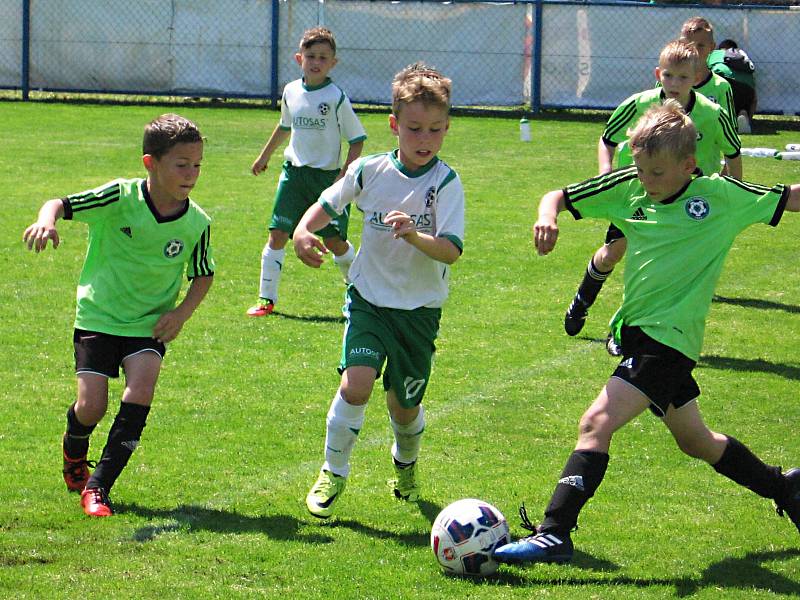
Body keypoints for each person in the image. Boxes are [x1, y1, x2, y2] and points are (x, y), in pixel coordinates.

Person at [493, 101, 800, 565]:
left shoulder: (720, 197)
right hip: (640, 336)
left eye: (657, 173)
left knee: (596, 423)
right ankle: (786, 487)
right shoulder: (632, 186)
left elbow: (787, 197)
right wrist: (547, 216)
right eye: (640, 170)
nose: (646, 182)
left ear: (688, 165)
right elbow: (557, 195)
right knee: (697, 441)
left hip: (670, 342)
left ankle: (555, 532)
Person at [293, 62, 465, 519]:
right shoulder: (369, 171)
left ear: (447, 128)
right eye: (413, 129)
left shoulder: (445, 183)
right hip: (368, 301)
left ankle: (405, 466)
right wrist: (302, 231)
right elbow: (327, 203)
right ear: (394, 126)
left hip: (419, 311)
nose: (424, 139)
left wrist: (413, 236)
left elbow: (450, 251)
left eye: (434, 130)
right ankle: (333, 471)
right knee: (357, 384)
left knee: (404, 407)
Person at [22, 114, 215, 517]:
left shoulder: (197, 222)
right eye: (181, 164)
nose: (191, 174)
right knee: (91, 407)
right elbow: (60, 203)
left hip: (148, 325)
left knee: (141, 388)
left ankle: (98, 488)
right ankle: (75, 451)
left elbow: (203, 274)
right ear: (151, 163)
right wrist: (46, 221)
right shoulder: (119, 198)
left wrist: (180, 314)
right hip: (98, 317)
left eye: (197, 164)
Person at [564, 40, 741, 355]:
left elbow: (733, 152)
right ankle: (582, 300)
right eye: (669, 76)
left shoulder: (712, 114)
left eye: (683, 78)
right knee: (614, 252)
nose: (674, 84)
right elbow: (607, 140)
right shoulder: (638, 104)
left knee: (660, 266)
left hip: (688, 206)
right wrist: (606, 173)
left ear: (696, 76)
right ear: (658, 73)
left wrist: (733, 193)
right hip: (637, 195)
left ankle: (626, 328)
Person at [247, 26, 367, 317]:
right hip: (294, 176)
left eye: (323, 57)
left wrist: (343, 176)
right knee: (277, 234)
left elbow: (357, 140)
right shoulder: (291, 91)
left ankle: (363, 297)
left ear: (333, 63)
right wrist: (264, 156)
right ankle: (266, 299)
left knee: (334, 242)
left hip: (327, 179)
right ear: (298, 58)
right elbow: (285, 126)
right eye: (311, 56)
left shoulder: (336, 97)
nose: (316, 62)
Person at [679, 17, 738, 135]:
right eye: (688, 45)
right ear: (680, 44)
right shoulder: (667, 81)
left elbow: (730, 131)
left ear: (711, 47)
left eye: (700, 45)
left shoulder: (721, 86)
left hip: (708, 153)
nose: (694, 51)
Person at [708, 39, 757, 134]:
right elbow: (754, 99)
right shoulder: (744, 57)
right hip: (747, 88)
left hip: (723, 79)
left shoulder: (714, 54)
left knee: (718, 96)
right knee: (742, 106)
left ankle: (720, 120)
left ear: (720, 47)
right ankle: (744, 117)